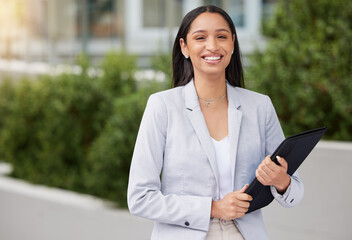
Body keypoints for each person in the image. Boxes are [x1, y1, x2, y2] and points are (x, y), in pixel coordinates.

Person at [127, 5, 304, 240]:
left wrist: (281, 180)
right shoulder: (163, 106)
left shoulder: (259, 106)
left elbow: (295, 192)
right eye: (200, 37)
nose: (212, 46)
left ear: (232, 43)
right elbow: (140, 198)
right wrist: (213, 208)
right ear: (184, 47)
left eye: (221, 36)